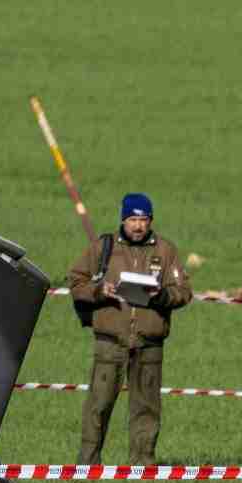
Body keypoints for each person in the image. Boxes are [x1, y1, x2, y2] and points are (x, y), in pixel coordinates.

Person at [68, 193, 192, 465]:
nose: (138, 225)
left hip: (150, 343)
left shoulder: (166, 251)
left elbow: (183, 291)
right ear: (123, 220)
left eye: (143, 220)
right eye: (132, 219)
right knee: (98, 406)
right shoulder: (103, 248)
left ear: (151, 221)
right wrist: (100, 291)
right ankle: (87, 466)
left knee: (146, 409)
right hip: (110, 342)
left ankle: (142, 466)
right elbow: (76, 283)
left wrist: (161, 296)